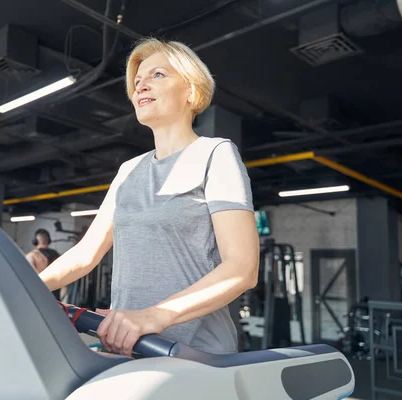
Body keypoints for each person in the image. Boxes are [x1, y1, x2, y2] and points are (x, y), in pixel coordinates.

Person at [39, 38, 259, 357]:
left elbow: (242, 268)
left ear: (190, 89)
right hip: (124, 346)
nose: (141, 86)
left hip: (193, 354)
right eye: (137, 81)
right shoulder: (129, 170)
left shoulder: (216, 153)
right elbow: (86, 253)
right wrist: (29, 288)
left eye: (157, 75)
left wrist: (154, 316)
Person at [26, 229, 62, 299]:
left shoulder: (32, 256)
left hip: (39, 293)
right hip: (56, 294)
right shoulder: (57, 255)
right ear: (49, 240)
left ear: (35, 241)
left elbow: (28, 276)